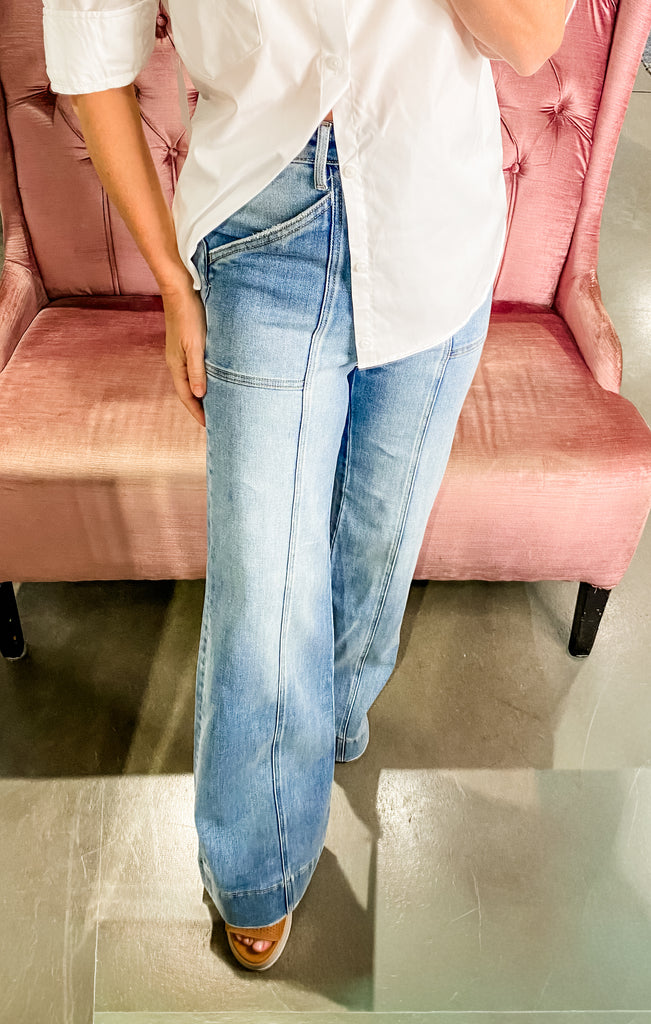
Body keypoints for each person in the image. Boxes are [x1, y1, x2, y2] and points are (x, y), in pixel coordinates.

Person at [42, 0, 576, 971]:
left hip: (434, 206)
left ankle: (328, 710)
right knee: (263, 581)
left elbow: (531, 37)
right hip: (261, 222)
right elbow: (89, 56)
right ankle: (259, 861)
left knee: (381, 530)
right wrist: (171, 283)